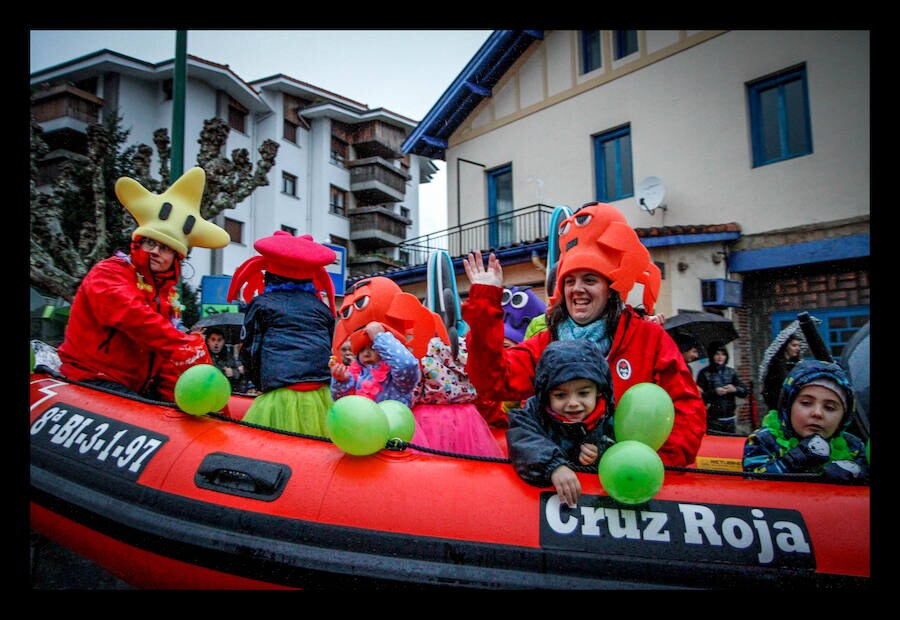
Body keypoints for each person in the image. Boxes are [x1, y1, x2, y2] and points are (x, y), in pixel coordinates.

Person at [461, 202, 706, 467]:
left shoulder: (648, 338)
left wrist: (652, 466)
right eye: (570, 281)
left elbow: (687, 410)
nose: (577, 289)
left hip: (634, 481)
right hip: (562, 483)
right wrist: (485, 304)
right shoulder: (548, 343)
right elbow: (493, 382)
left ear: (610, 289)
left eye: (589, 280)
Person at [58, 167, 229, 400]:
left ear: (176, 258)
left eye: (166, 247)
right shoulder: (110, 271)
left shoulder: (168, 296)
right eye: (150, 243)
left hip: (133, 386)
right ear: (139, 243)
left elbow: (166, 359)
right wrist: (184, 344)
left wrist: (176, 397)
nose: (156, 252)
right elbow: (130, 313)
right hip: (91, 378)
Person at [227, 231, 338, 434]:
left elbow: (250, 350)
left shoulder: (261, 304)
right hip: (320, 397)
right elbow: (328, 348)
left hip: (279, 395)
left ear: (269, 274)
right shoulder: (322, 308)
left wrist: (260, 383)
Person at [507, 339, 616, 508]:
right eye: (560, 395)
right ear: (546, 394)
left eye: (583, 393)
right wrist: (554, 466)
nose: (573, 402)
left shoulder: (609, 418)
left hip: (596, 507)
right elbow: (522, 439)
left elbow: (622, 450)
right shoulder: (535, 413)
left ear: (599, 391)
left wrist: (600, 453)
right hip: (539, 505)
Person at [743, 359, 868, 482]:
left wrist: (857, 472)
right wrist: (795, 459)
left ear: (843, 417)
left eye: (829, 408)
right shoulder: (764, 441)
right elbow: (753, 480)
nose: (817, 413)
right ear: (788, 406)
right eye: (806, 403)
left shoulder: (854, 447)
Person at [330, 320, 421, 407]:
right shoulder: (355, 377)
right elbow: (340, 402)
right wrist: (341, 381)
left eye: (373, 347)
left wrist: (380, 337)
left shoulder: (395, 379)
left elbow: (406, 365)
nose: (366, 354)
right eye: (361, 350)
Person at [696, 343, 748, 434]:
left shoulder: (731, 372)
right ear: (712, 356)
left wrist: (735, 389)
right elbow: (698, 396)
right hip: (713, 419)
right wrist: (714, 392)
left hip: (730, 418)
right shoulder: (704, 373)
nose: (720, 357)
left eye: (723, 354)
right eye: (717, 354)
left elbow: (744, 391)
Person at [762, 332, 803, 411]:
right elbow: (782, 383)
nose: (798, 348)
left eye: (799, 345)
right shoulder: (776, 364)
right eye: (794, 345)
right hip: (779, 405)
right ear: (785, 346)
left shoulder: (793, 363)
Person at [204, 327, 240, 392]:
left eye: (219, 340)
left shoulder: (228, 356)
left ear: (223, 342)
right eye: (213, 339)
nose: (216, 343)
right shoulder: (203, 355)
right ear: (208, 341)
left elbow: (238, 372)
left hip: (224, 391)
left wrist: (233, 373)